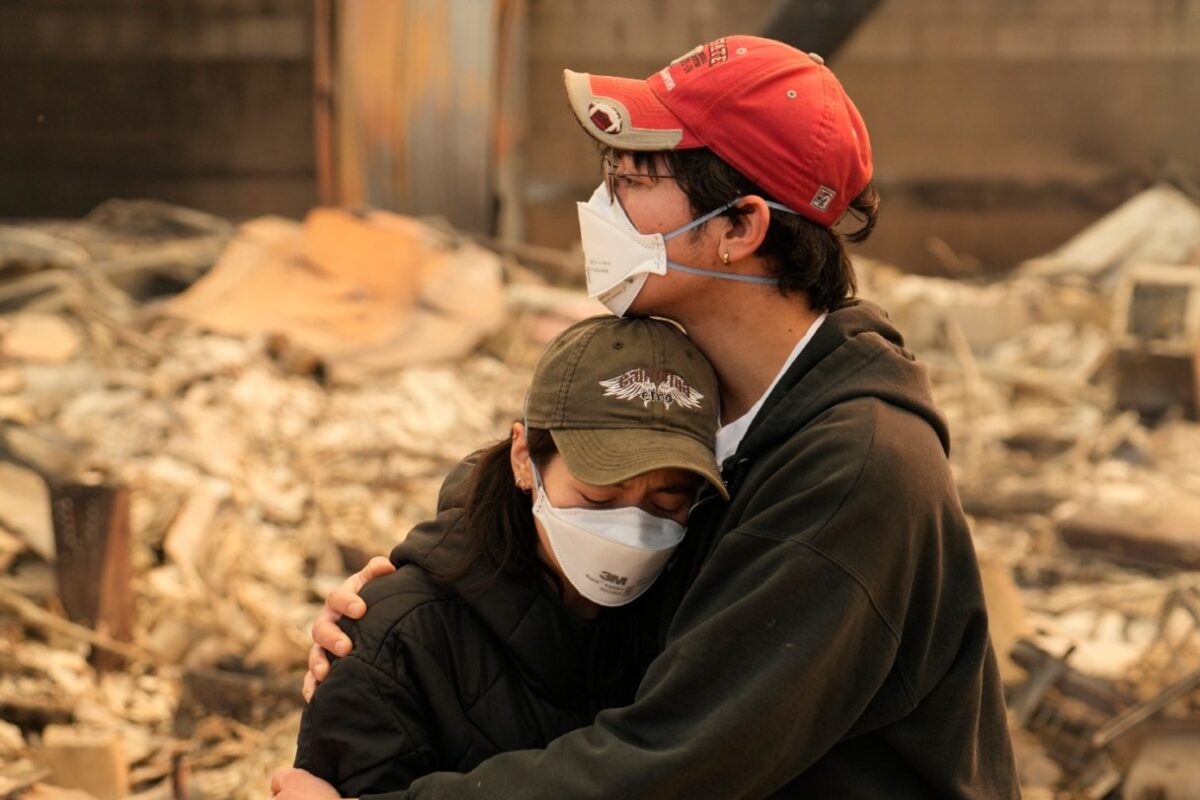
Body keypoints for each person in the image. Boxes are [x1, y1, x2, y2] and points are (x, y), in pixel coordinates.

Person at [274, 35, 1019, 799]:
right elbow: (568, 470)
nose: (604, 206)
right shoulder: (728, 402)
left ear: (741, 227)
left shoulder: (852, 469)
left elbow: (674, 764)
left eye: (633, 178)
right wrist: (397, 617)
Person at [290, 315, 725, 795]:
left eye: (667, 501)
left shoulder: (696, 616)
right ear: (524, 457)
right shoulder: (398, 644)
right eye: (598, 495)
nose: (633, 528)